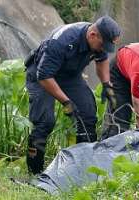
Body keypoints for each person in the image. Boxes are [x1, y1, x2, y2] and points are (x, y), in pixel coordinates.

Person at [24, 15, 121, 174]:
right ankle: (35, 172)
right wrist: (66, 102)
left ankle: (82, 169)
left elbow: (101, 59)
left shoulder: (98, 42)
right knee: (44, 122)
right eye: (103, 45)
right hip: (41, 76)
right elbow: (44, 76)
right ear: (92, 35)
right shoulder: (61, 42)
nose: (104, 49)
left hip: (69, 75)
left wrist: (106, 84)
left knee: (87, 115)